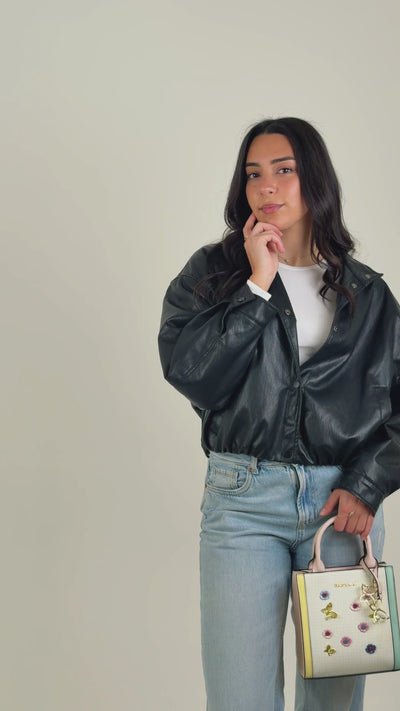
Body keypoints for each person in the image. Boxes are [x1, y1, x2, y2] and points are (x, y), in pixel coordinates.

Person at [158, 117, 400, 711]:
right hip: (243, 503)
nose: (266, 186)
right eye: (253, 174)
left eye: (284, 170)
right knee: (239, 698)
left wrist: (368, 485)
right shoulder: (213, 274)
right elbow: (192, 372)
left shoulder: (367, 292)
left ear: (314, 179)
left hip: (341, 512)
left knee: (335, 700)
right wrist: (257, 286)